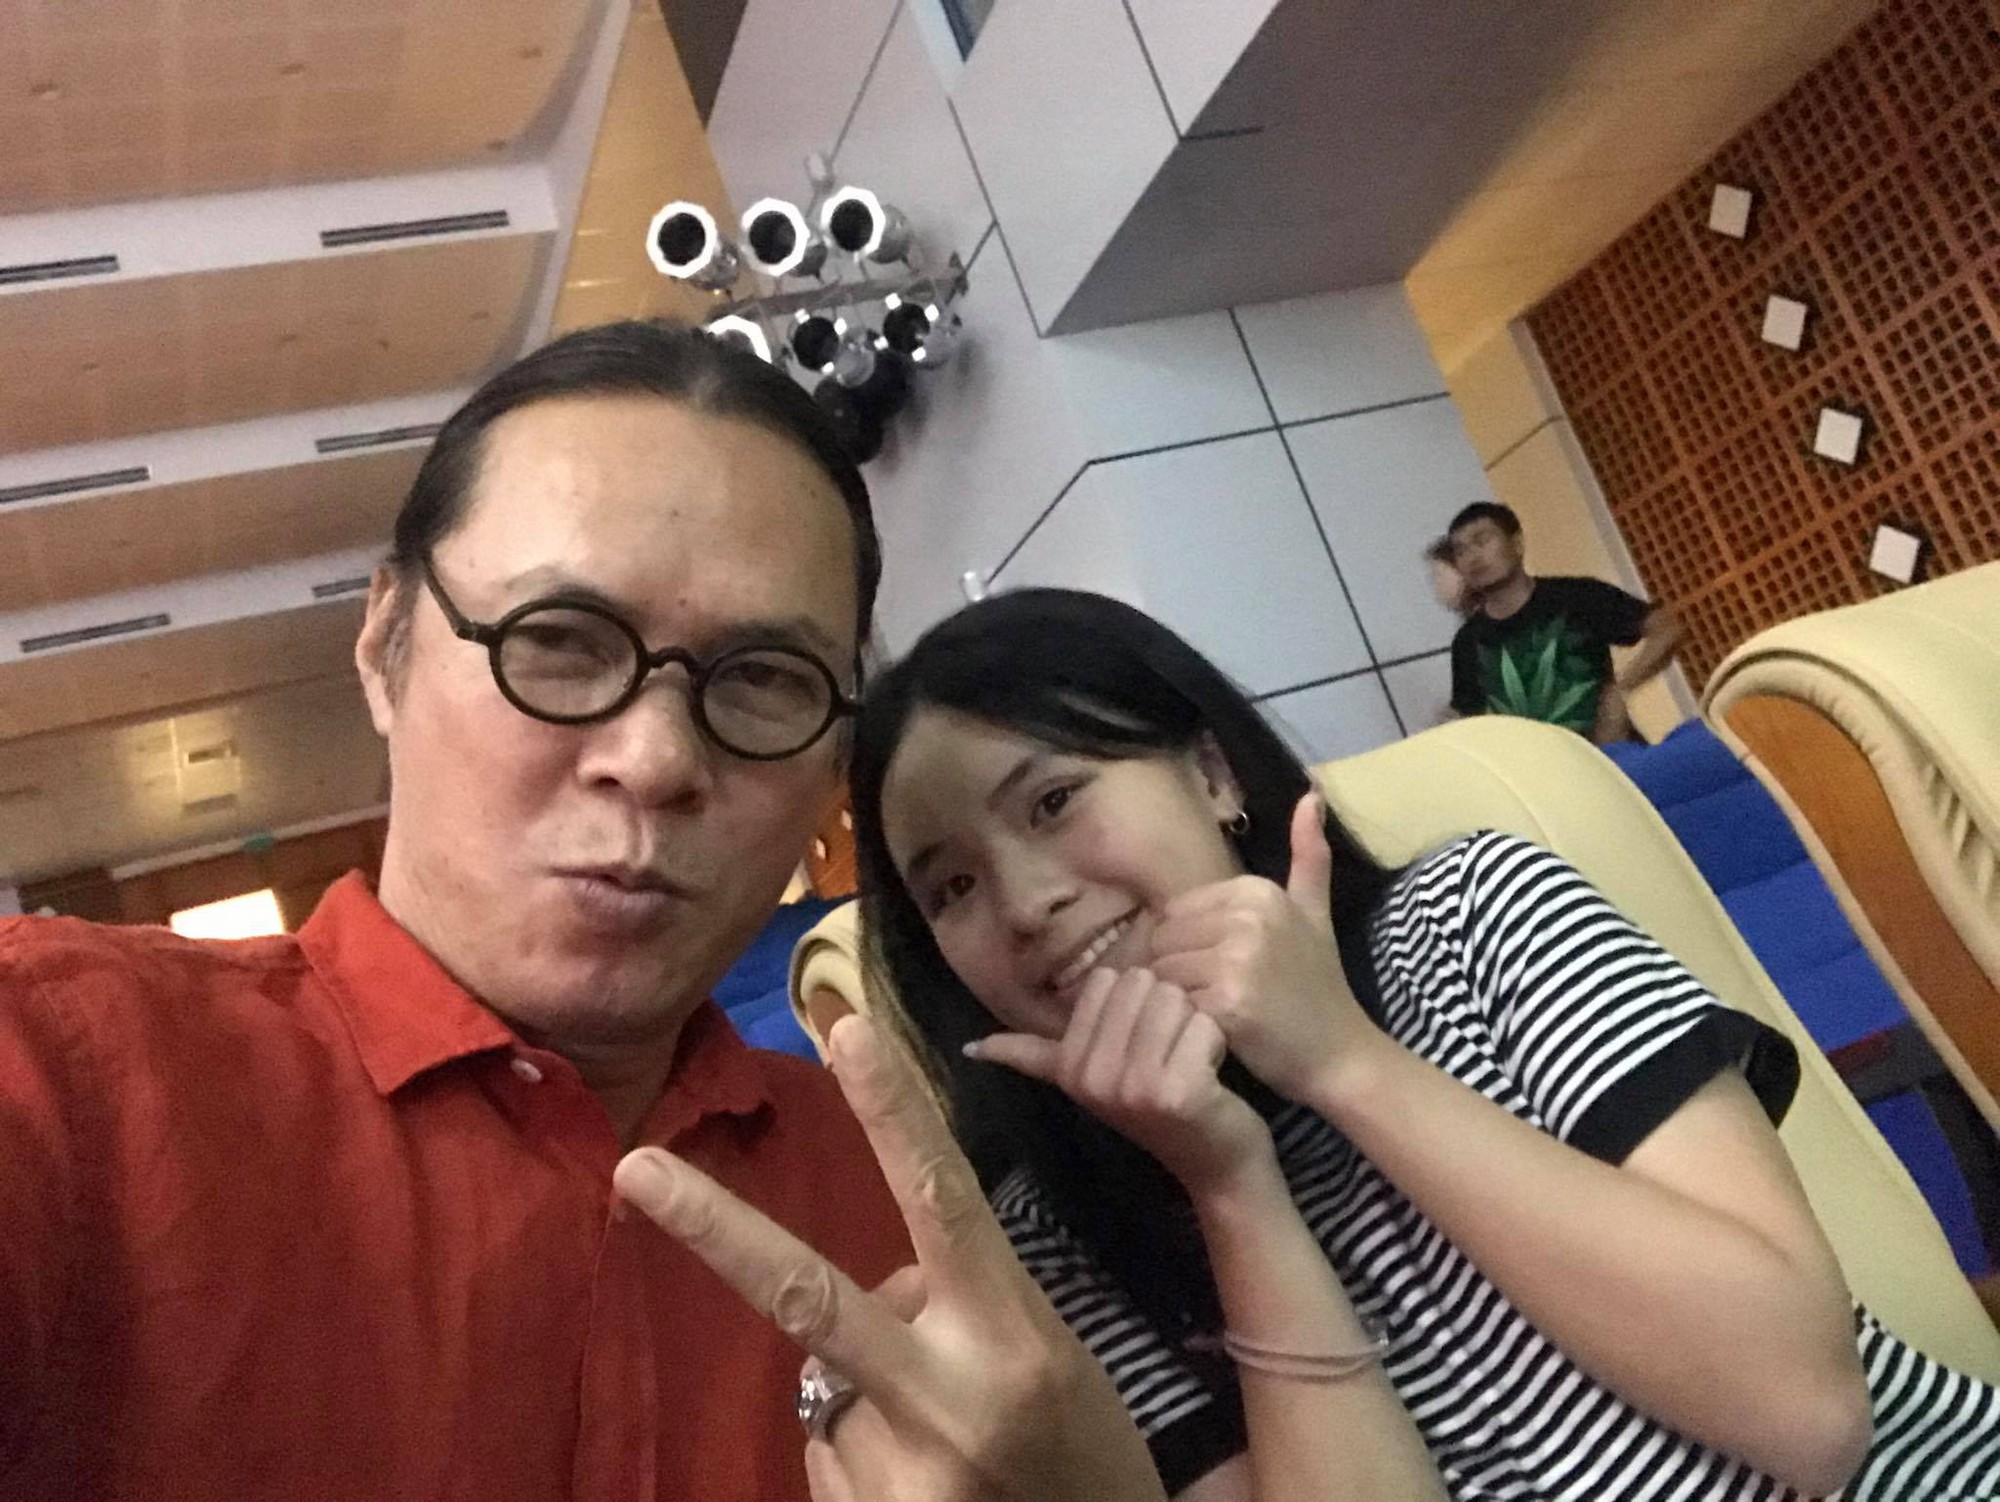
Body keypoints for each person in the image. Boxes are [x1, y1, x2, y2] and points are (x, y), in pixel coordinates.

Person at [0, 322, 1167, 1502]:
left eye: (766, 679)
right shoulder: (68, 1070)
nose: (655, 760)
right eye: (556, 641)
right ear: (384, 643)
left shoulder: (894, 1197)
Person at [846, 585, 2000, 1502]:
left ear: (1208, 773)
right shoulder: (1050, 1238)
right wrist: (1229, 1183)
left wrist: (1341, 1060)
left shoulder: (1472, 915)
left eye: (1051, 801)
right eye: (951, 885)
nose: (1025, 901)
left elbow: (1804, 1409)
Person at [1446, 501, 1682, 743]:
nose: (1473, 557)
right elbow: (1470, 721)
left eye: (1482, 541)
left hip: (1613, 752)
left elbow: (1666, 629)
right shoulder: (1467, 643)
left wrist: (1622, 689)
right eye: (1460, 551)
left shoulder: (1577, 596)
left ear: (1517, 543)